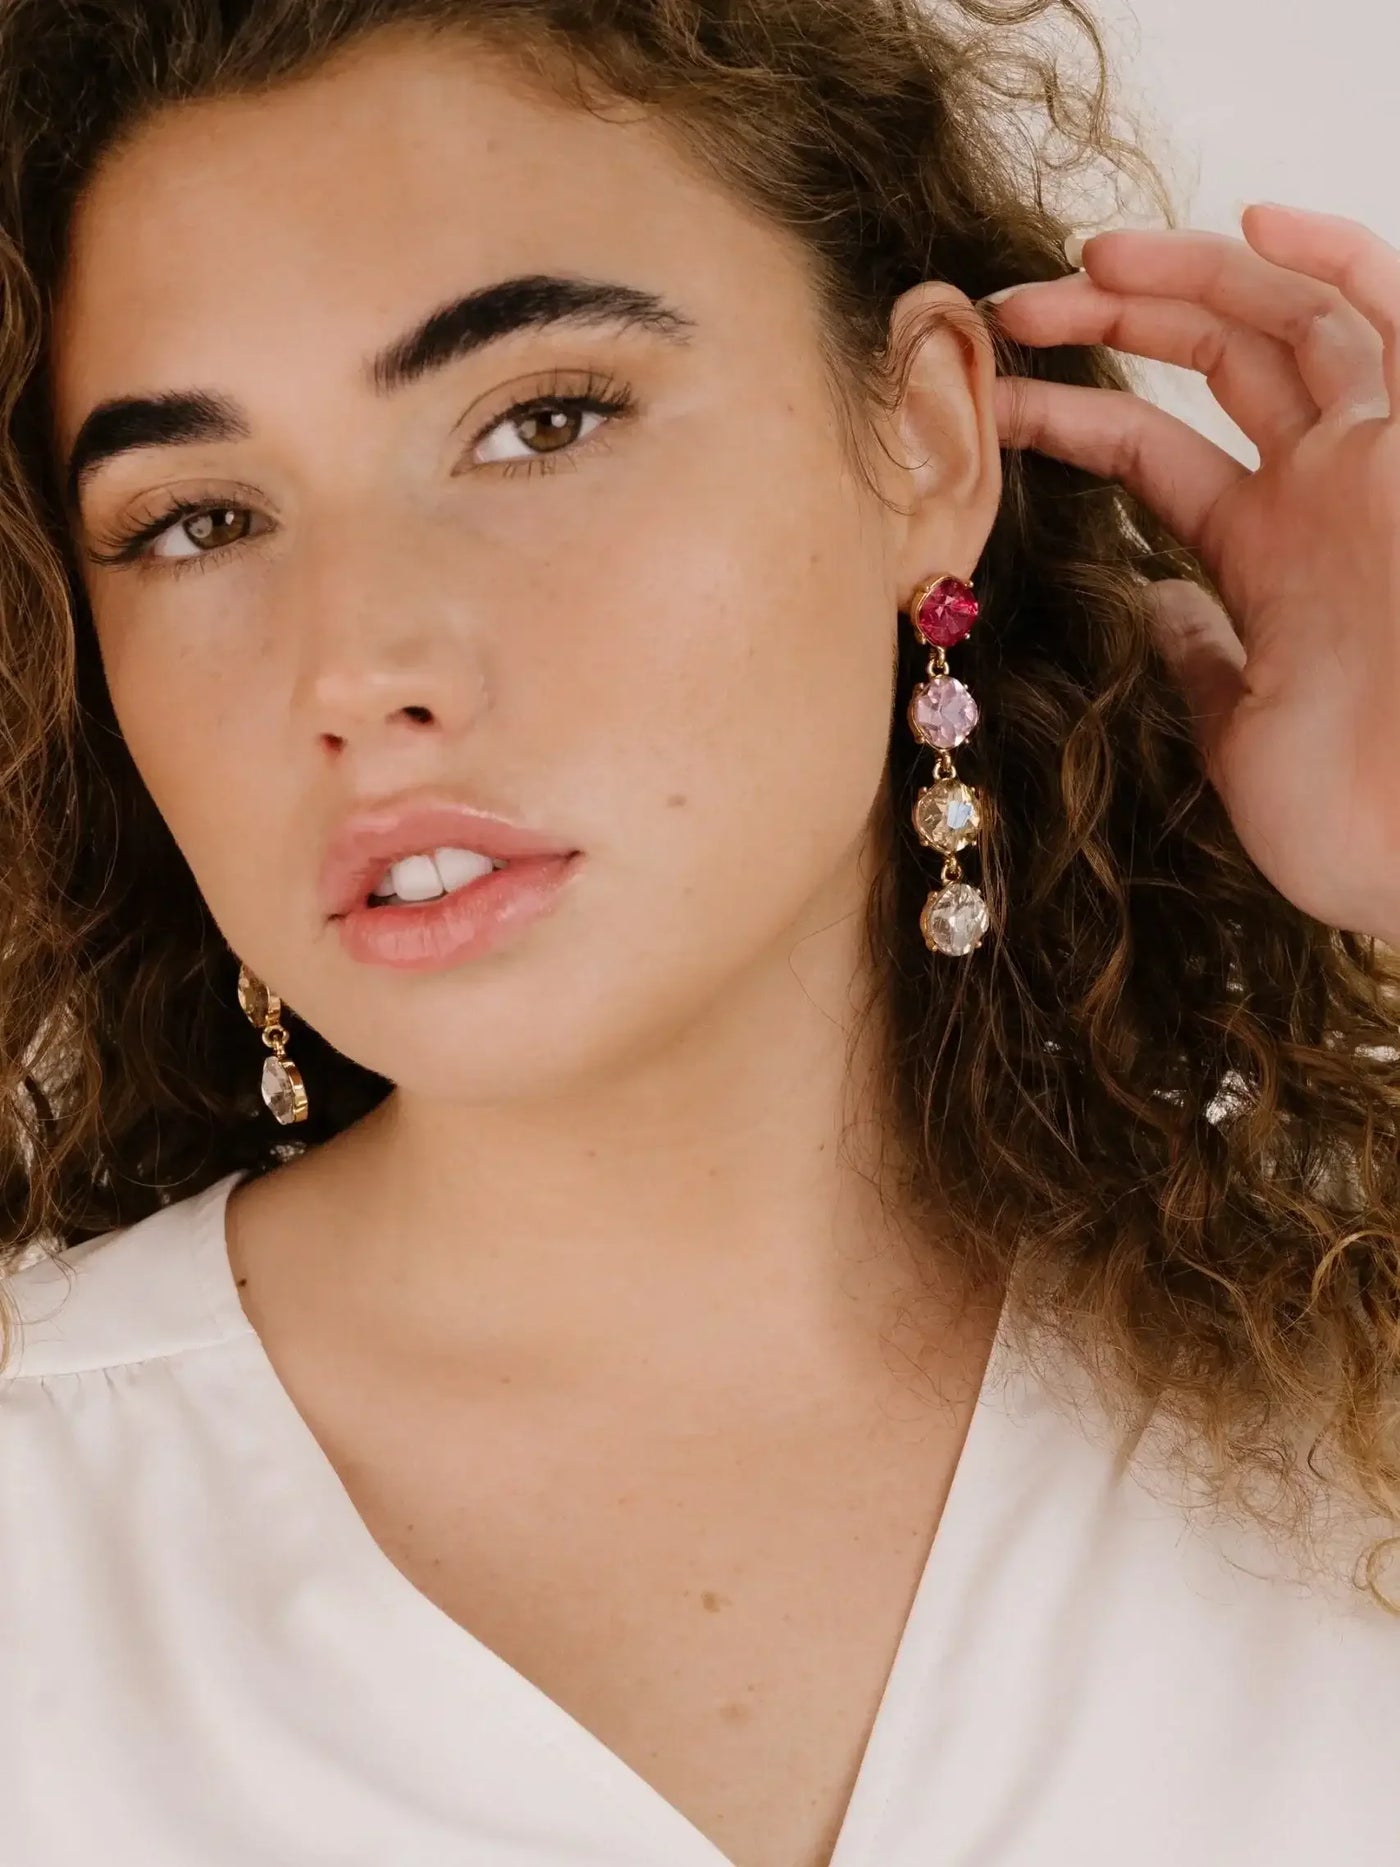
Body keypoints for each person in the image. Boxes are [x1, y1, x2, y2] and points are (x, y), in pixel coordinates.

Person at [0, 0, 1397, 1862]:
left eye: (540, 421)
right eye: (194, 521)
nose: (360, 666)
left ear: (921, 435)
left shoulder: (1350, 1397)